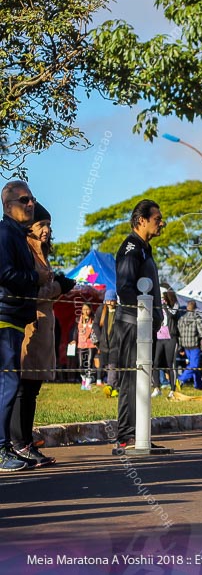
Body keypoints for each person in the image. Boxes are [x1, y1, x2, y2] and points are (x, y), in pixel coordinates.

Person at [12, 201, 73, 468]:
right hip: (29, 329)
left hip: (43, 330)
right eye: (41, 225)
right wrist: (59, 286)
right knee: (22, 388)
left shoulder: (41, 253)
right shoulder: (25, 253)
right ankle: (19, 443)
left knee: (32, 389)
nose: (46, 230)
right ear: (29, 228)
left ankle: (26, 440)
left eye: (48, 224)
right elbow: (30, 294)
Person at [0, 181, 53, 471]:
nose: (30, 204)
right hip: (5, 317)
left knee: (11, 385)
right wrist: (36, 279)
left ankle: (11, 447)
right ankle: (4, 448)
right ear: (8, 207)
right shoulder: (6, 234)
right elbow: (6, 273)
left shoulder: (16, 236)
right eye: (24, 200)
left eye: (32, 199)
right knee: (9, 386)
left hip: (16, 318)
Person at [111, 199, 165, 454]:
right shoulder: (132, 247)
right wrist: (145, 317)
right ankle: (126, 436)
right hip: (132, 326)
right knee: (131, 381)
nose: (162, 223)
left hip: (143, 327)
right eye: (157, 219)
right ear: (141, 220)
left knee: (142, 381)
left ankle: (140, 432)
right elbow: (125, 288)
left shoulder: (145, 248)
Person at [176, 300, 202, 390]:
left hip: (185, 345)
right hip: (195, 345)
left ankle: (198, 385)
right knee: (194, 366)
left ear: (187, 308)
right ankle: (180, 379)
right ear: (195, 308)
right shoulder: (197, 318)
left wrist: (180, 347)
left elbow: (180, 334)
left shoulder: (181, 319)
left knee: (194, 365)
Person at [152, 288, 179, 396]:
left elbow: (172, 314)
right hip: (159, 338)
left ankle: (173, 389)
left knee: (170, 364)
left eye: (163, 298)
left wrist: (166, 306)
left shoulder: (174, 304)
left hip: (170, 338)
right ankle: (157, 388)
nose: (162, 300)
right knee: (155, 363)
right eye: (161, 298)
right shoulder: (157, 307)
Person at [97, 290, 119, 396]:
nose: (110, 302)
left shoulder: (119, 312)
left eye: (112, 300)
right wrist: (99, 339)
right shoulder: (101, 310)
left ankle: (110, 385)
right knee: (106, 365)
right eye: (108, 300)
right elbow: (96, 325)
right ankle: (115, 388)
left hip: (116, 345)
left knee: (113, 365)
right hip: (104, 345)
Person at [73, 303, 98, 390]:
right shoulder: (78, 319)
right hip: (81, 344)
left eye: (87, 309)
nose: (85, 311)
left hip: (91, 344)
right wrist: (73, 340)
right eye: (84, 309)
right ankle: (83, 379)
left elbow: (97, 331)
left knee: (89, 363)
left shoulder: (94, 319)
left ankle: (88, 383)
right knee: (80, 365)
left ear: (91, 309)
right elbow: (75, 331)